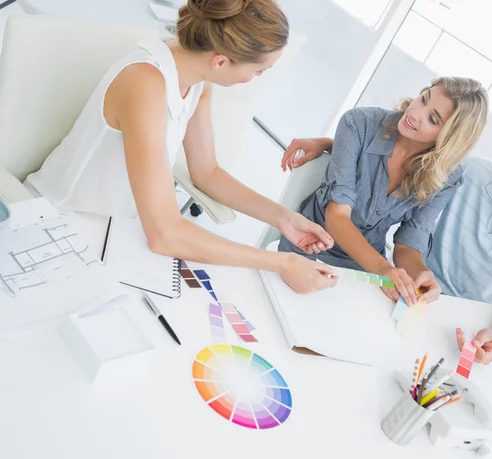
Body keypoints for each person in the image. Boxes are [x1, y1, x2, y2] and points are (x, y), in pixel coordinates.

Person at [25, 0, 337, 294]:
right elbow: (164, 234)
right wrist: (279, 262)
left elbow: (207, 172)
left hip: (119, 233)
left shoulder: (197, 76)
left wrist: (283, 218)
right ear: (221, 61)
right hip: (57, 227)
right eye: (258, 70)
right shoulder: (145, 82)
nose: (256, 78)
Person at [282, 133, 492, 364]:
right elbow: (402, 159)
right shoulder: (475, 174)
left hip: (462, 328)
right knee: (327, 352)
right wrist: (329, 145)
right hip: (404, 288)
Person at [279, 77, 489, 306]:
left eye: (432, 118)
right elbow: (337, 217)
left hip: (366, 271)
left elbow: (409, 244)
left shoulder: (447, 176)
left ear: (448, 138)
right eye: (424, 98)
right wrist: (383, 269)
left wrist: (420, 274)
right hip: (309, 250)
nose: (415, 112)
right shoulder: (359, 123)